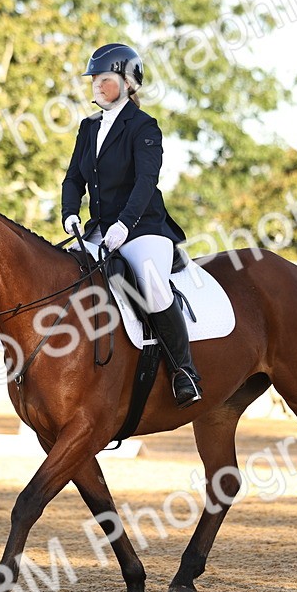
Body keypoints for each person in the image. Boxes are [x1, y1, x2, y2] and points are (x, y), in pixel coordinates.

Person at [61, 43, 202, 408]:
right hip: (97, 227)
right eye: (93, 79)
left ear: (127, 82)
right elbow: (73, 179)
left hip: (144, 228)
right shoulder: (88, 127)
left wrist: (126, 223)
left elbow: (145, 182)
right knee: (63, 276)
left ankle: (184, 371)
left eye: (103, 79)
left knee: (152, 286)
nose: (95, 85)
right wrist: (69, 211)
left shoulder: (144, 127)